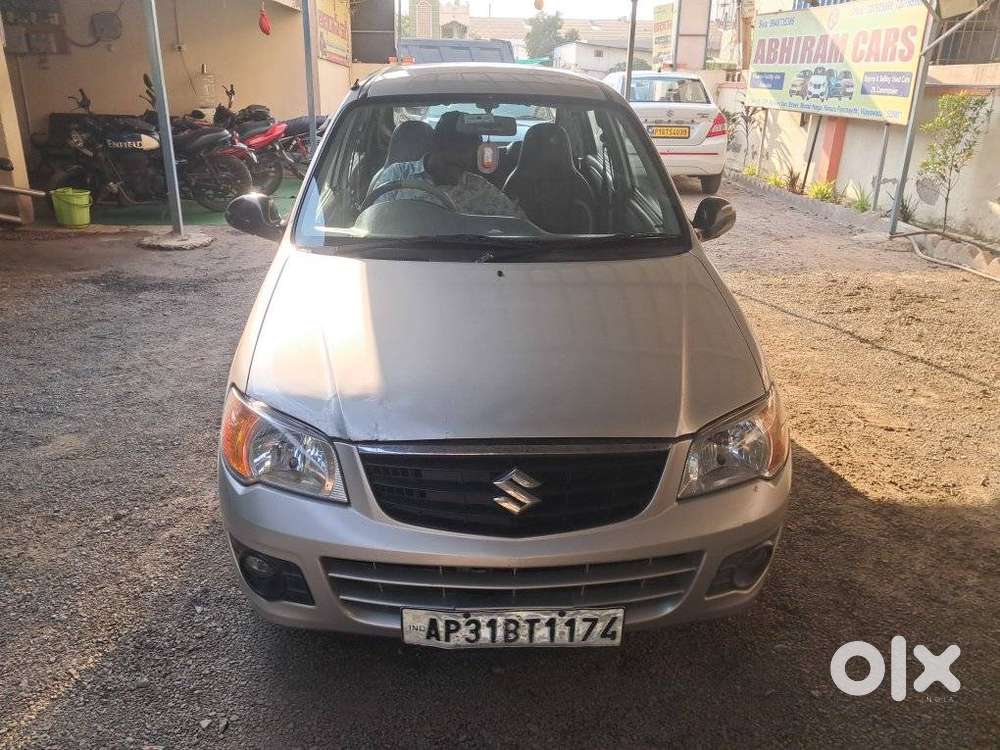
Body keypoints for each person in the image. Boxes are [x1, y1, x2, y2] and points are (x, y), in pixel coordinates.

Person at [369, 111, 525, 218]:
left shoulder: (479, 188)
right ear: (435, 146)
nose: (464, 161)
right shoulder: (397, 175)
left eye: (471, 154)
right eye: (457, 152)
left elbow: (517, 223)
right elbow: (375, 222)